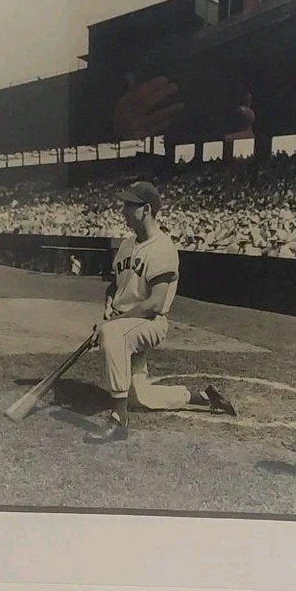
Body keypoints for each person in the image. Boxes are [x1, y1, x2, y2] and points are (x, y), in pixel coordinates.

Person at [84, 180, 237, 444]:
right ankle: (202, 396)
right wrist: (109, 306)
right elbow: (115, 286)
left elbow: (154, 303)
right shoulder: (125, 245)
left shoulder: (163, 248)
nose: (123, 210)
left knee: (113, 335)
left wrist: (112, 323)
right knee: (138, 397)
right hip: (126, 321)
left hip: (150, 323)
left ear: (145, 209)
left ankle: (118, 422)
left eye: (129, 205)